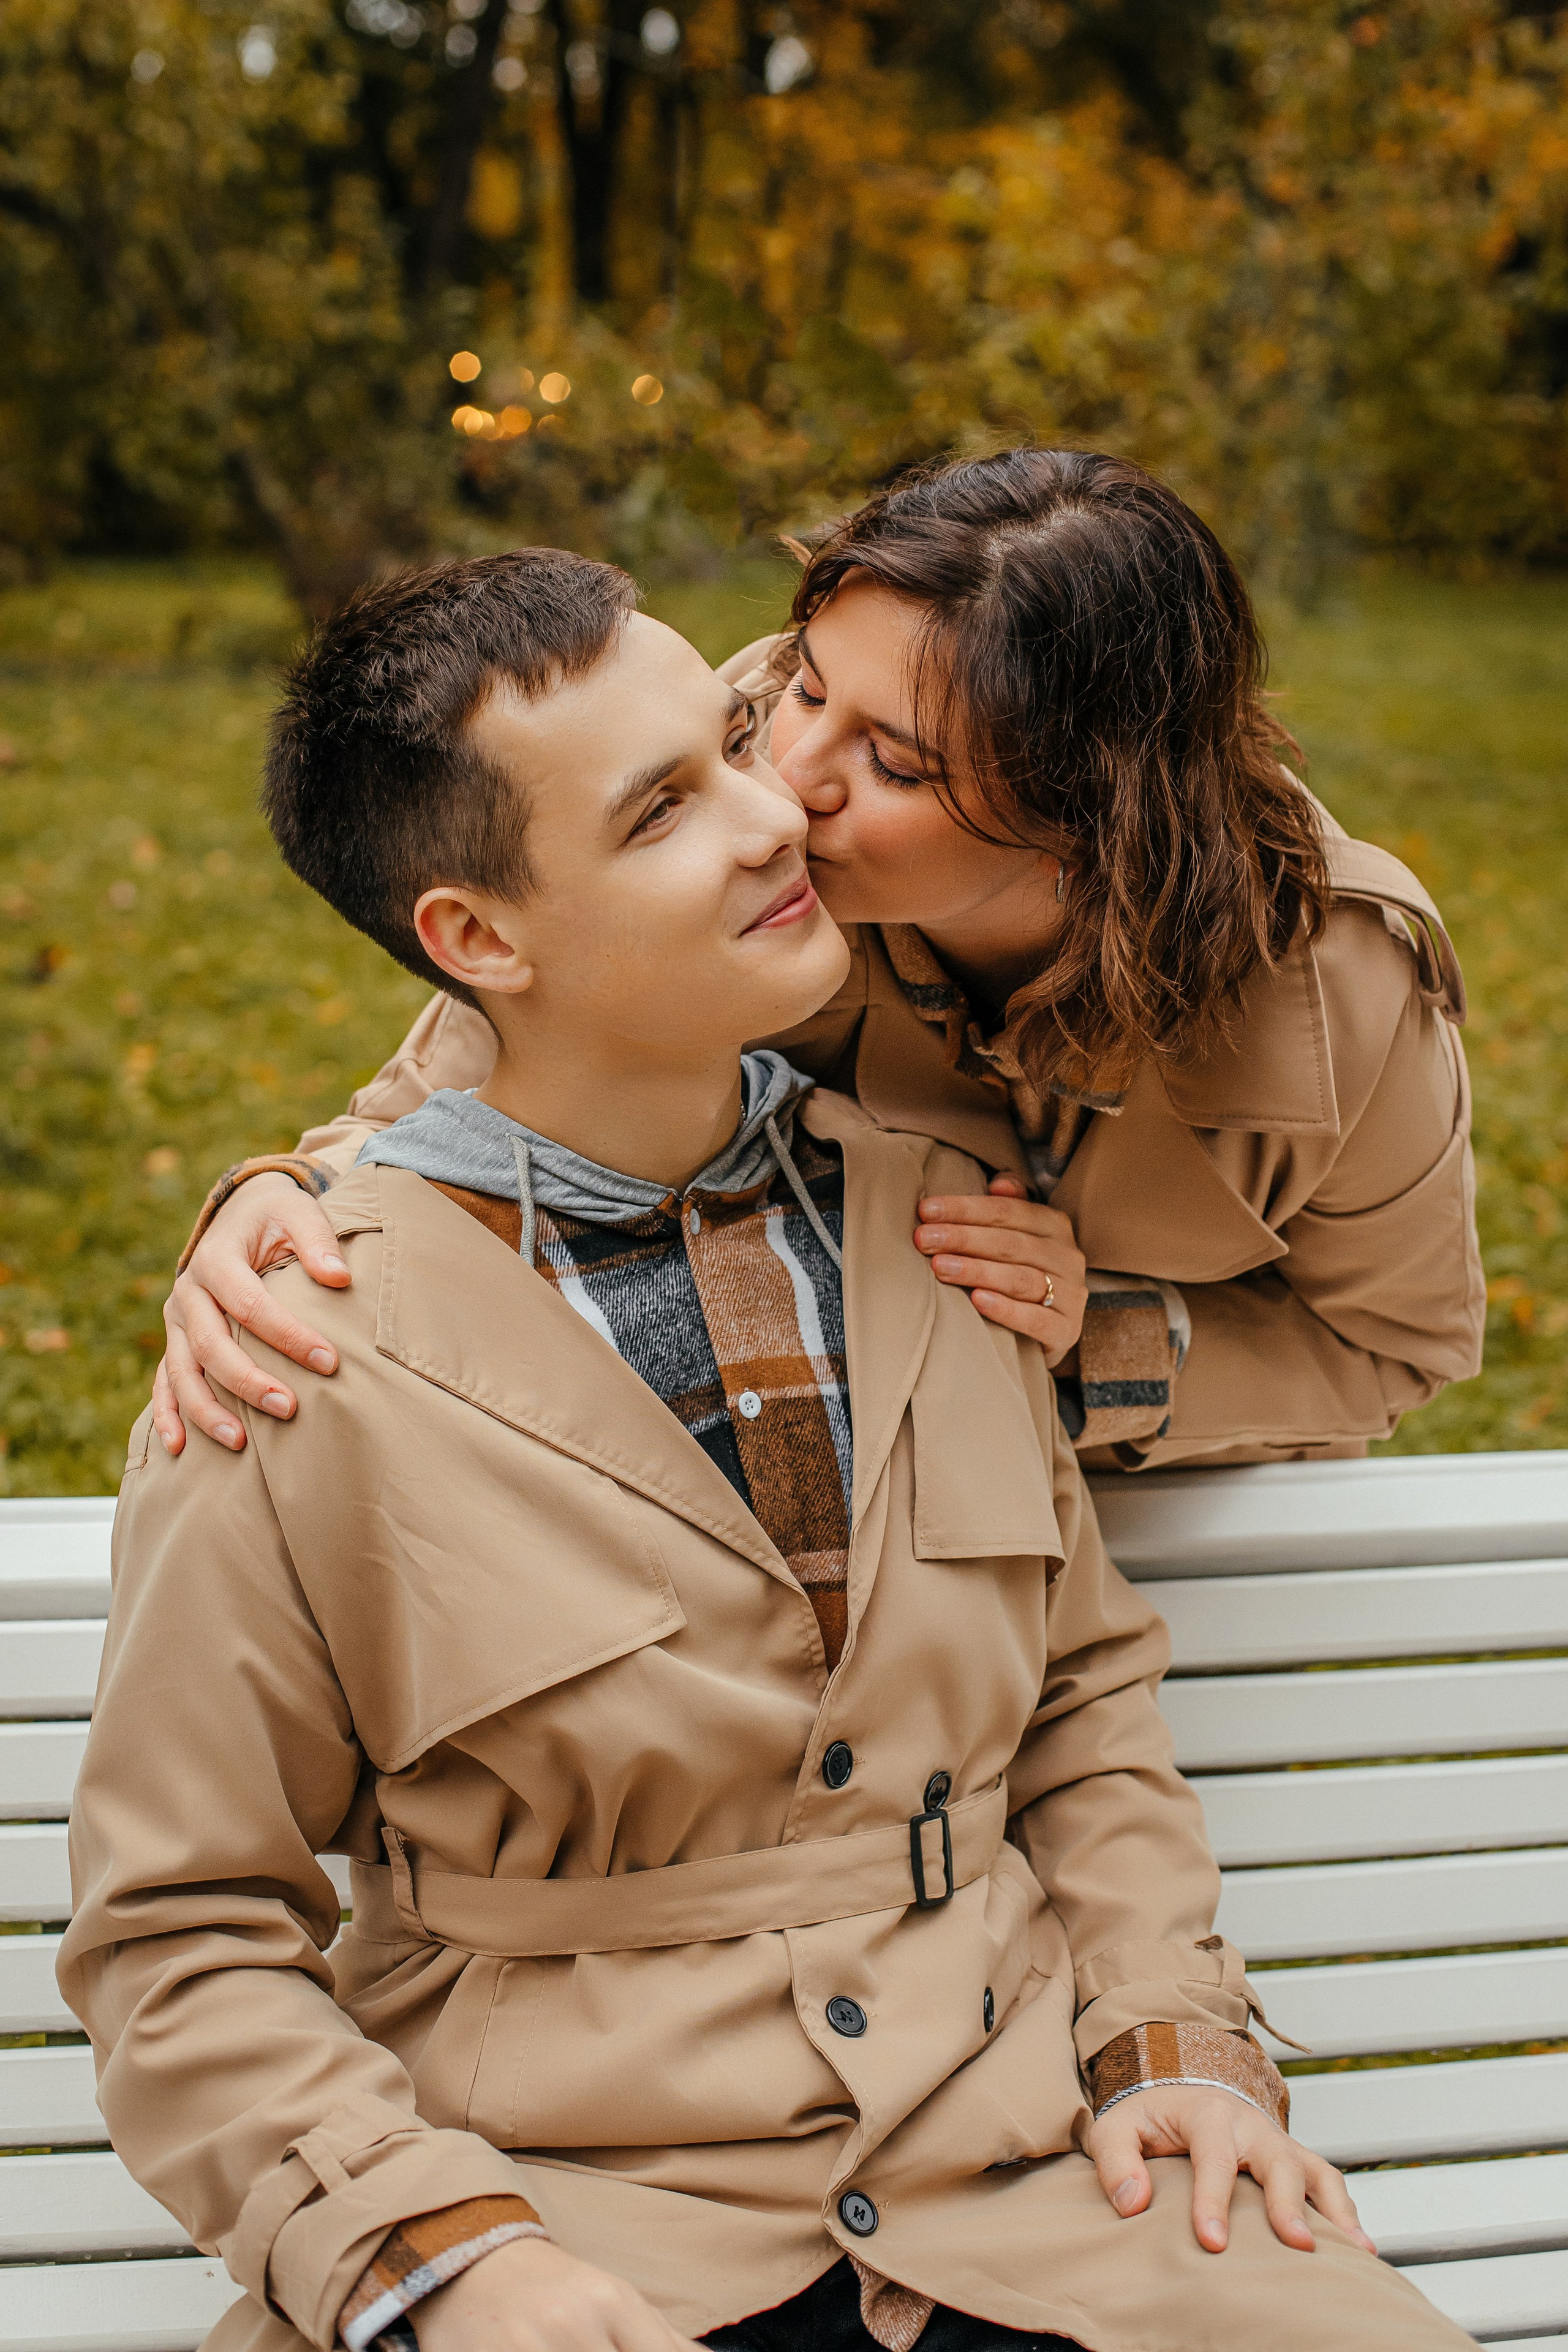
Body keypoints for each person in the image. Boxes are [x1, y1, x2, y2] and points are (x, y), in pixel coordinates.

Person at [60, 551, 1469, 2352]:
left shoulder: (950, 1229)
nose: (777, 808)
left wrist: (1170, 2041)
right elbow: (179, 1932)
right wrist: (441, 2256)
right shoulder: (297, 1347)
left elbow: (1078, 1705)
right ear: (478, 943)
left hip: (1043, 2176)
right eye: (666, 807)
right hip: (564, 2211)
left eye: (730, 746)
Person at [153, 450, 1483, 1477]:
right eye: (802, 688)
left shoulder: (1336, 983)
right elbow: (480, 1070)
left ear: (1092, 819)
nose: (787, 783)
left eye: (893, 763)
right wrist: (282, 1195)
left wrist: (1099, 1335)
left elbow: (1391, 1343)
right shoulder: (734, 760)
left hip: (1156, 1554)